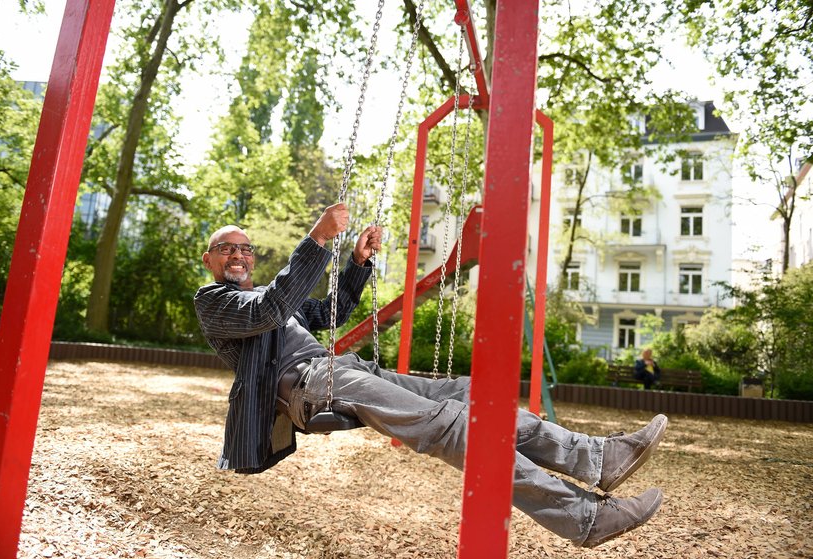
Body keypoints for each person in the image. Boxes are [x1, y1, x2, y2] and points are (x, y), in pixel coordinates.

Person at [194, 203, 669, 548]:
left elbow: (328, 310)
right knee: (453, 425)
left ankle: (597, 458)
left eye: (245, 248)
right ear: (209, 260)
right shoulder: (215, 302)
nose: (238, 255)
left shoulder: (264, 299)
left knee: (468, 395)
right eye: (226, 249)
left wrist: (357, 264)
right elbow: (275, 304)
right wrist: (317, 238)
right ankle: (583, 517)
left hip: (340, 371)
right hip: (307, 386)